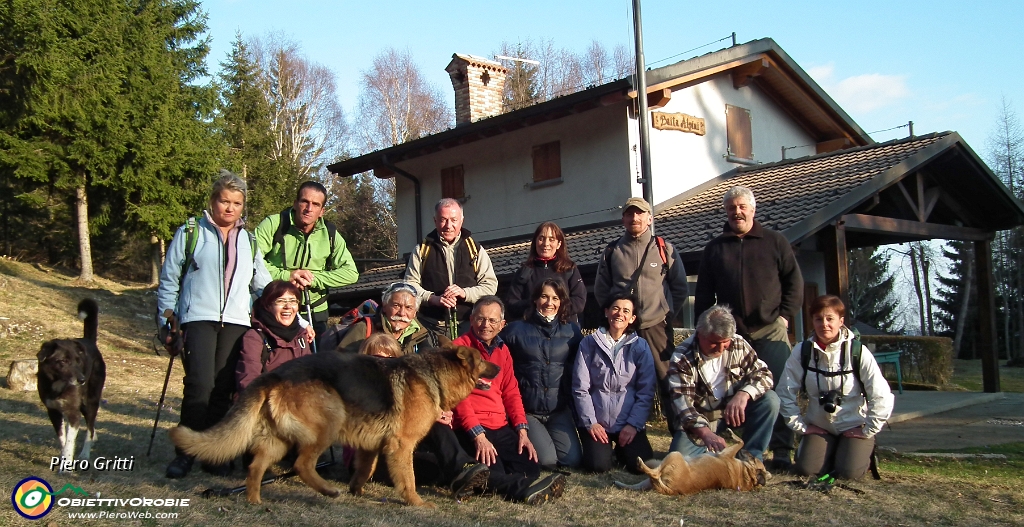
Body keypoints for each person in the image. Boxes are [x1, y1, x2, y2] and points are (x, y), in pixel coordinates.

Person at [157, 171, 273, 479]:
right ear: (213, 201)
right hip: (198, 319)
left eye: (237, 203)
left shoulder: (248, 240)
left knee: (222, 390)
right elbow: (169, 279)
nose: (230, 208)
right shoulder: (191, 232)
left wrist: (294, 311)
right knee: (199, 387)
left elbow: (263, 285)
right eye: (224, 201)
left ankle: (213, 454)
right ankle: (185, 454)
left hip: (235, 322)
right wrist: (165, 321)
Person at [693, 185, 804, 468]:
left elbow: (794, 283)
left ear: (753, 210)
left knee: (778, 391)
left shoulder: (775, 241)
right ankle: (739, 447)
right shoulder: (715, 248)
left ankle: (781, 451)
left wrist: (785, 317)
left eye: (742, 207)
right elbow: (705, 293)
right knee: (727, 389)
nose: (737, 212)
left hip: (771, 330)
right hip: (732, 335)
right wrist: (705, 329)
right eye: (731, 208)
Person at [451, 297, 566, 505]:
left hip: (499, 425)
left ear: (502, 324)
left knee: (531, 466)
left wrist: (522, 432)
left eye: (493, 321)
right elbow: (459, 399)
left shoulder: (503, 350)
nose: (486, 325)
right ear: (471, 319)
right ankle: (520, 490)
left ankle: (512, 481)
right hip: (471, 426)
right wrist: (478, 436)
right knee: (492, 471)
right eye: (480, 319)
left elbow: (511, 392)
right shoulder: (459, 349)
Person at [350, 333, 492, 499]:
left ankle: (466, 471)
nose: (382, 363)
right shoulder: (357, 389)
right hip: (375, 461)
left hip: (391, 455)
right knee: (438, 468)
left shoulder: (403, 390)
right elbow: (395, 444)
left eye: (390, 358)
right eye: (375, 358)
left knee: (439, 457)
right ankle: (466, 472)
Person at [778, 295, 894, 480]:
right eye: (818, 319)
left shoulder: (858, 352)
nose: (824, 324)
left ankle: (859, 453)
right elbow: (785, 391)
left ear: (841, 321)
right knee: (806, 470)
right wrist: (800, 426)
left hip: (854, 424)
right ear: (812, 321)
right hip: (820, 425)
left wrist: (868, 429)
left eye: (830, 319)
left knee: (848, 474)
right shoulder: (802, 351)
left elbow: (881, 395)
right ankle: (824, 452)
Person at [594, 197, 688, 424]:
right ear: (623, 218)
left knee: (668, 380)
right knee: (622, 382)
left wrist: (666, 315)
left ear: (649, 218)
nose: (634, 218)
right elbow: (601, 289)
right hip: (623, 329)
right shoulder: (612, 250)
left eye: (640, 213)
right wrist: (614, 317)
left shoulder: (664, 249)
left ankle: (680, 431)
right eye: (629, 214)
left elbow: (680, 287)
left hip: (657, 326)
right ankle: (624, 431)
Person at [666, 305, 779, 462]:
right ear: (699, 334)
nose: (720, 348)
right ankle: (716, 457)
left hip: (734, 414)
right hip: (701, 421)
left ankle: (751, 458)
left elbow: (764, 375)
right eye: (714, 342)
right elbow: (683, 406)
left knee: (770, 400)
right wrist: (706, 434)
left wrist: (744, 394)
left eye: (725, 342)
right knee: (680, 460)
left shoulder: (738, 344)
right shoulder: (682, 357)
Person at [255, 181, 359, 344]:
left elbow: (351, 273)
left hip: (315, 312)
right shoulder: (274, 224)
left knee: (314, 365)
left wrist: (313, 279)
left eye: (315, 204)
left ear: (322, 211)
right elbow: (252, 261)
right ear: (295, 203)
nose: (309, 208)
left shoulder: (330, 234)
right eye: (305, 202)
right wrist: (287, 276)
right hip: (275, 307)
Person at [501, 279, 583, 469]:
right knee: (547, 461)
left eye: (555, 298)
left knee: (572, 461)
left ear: (561, 302)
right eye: (544, 296)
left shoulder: (572, 332)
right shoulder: (515, 331)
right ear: (536, 300)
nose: (549, 303)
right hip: (528, 410)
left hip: (558, 410)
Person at [572, 294, 656, 474]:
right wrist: (591, 423)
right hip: (597, 422)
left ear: (632, 318)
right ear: (607, 312)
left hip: (627, 421)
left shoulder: (640, 347)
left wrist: (633, 424)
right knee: (598, 466)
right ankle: (603, 450)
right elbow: (581, 388)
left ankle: (621, 449)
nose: (620, 314)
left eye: (626, 311)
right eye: (616, 308)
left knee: (643, 466)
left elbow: (646, 391)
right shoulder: (589, 343)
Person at [404, 198, 498, 338]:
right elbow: (409, 287)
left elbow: (490, 286)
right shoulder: (421, 250)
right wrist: (432, 299)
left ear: (462, 220)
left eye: (453, 220)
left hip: (469, 326)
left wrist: (465, 293)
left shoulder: (475, 249)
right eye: (443, 219)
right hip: (431, 326)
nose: (448, 225)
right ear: (435, 221)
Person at [235, 280, 312, 393]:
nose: (288, 306)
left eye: (293, 301)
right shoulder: (255, 337)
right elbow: (248, 381)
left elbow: (310, 375)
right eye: (280, 301)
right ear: (268, 306)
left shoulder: (301, 336)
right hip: (265, 402)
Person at [505, 222, 586, 323]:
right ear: (535, 242)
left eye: (551, 239)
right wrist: (536, 306)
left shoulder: (569, 269)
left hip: (564, 330)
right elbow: (512, 305)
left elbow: (579, 300)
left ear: (558, 244)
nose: (546, 243)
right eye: (541, 238)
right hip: (531, 330)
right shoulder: (524, 272)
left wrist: (554, 310)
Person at [335, 282, 440, 355]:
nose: (402, 313)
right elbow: (341, 362)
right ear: (384, 306)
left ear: (415, 312)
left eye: (408, 308)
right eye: (396, 306)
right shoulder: (364, 328)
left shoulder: (422, 335)